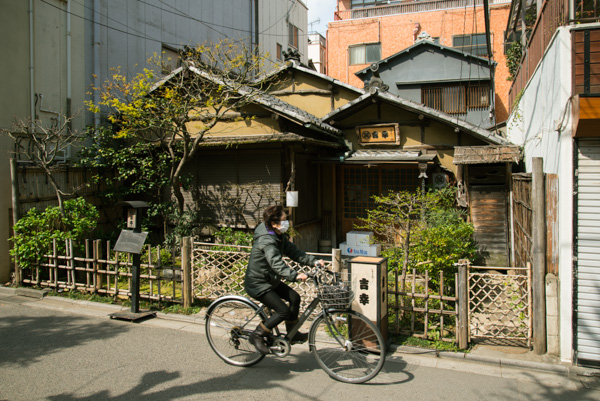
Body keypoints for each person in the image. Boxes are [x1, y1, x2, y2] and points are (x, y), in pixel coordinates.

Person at [244, 205, 324, 354]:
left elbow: (294, 252)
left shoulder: (278, 235)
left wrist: (312, 261)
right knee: (283, 311)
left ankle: (291, 334)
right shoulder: (267, 241)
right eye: (284, 220)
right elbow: (276, 263)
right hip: (258, 283)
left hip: (269, 280)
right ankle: (257, 335)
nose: (287, 223)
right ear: (274, 224)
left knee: (295, 298)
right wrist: (294, 275)